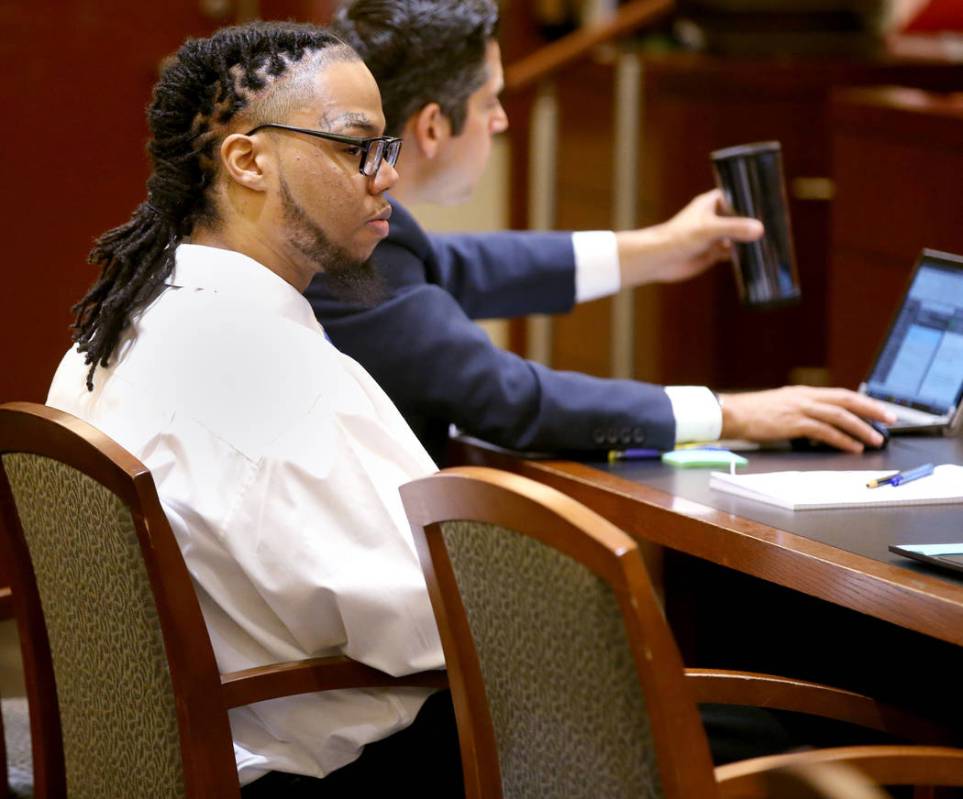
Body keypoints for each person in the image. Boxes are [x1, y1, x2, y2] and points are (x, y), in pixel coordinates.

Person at [46, 22, 462, 797]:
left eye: (387, 148)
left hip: (171, 757)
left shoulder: (125, 325)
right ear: (246, 160)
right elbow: (437, 625)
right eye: (354, 146)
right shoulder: (264, 373)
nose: (386, 177)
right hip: (335, 771)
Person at [307, 0, 895, 465]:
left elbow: (456, 265)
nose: (503, 120)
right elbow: (510, 399)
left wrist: (658, 249)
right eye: (492, 100)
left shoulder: (354, 222)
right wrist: (732, 414)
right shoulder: (345, 244)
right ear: (433, 126)